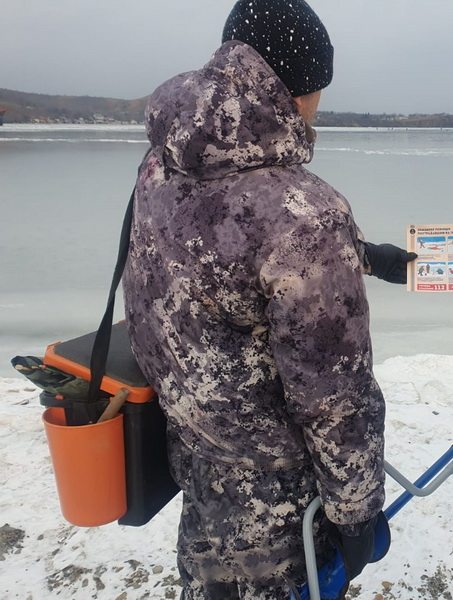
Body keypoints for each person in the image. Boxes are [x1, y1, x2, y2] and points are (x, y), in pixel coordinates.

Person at [122, 1, 416, 598]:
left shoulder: (163, 161)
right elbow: (334, 396)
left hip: (197, 449)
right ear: (294, 91)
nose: (317, 110)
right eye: (316, 92)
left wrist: (360, 252)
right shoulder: (305, 214)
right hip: (278, 497)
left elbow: (222, 245)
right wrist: (355, 508)